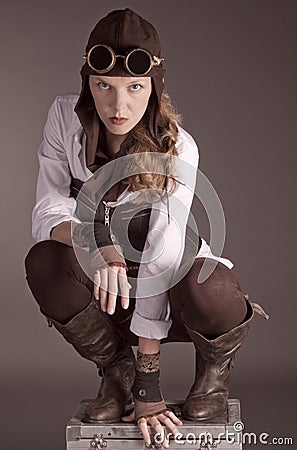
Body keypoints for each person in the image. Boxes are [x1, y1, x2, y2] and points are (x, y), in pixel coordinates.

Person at [24, 8, 268, 448]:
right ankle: (114, 372)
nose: (119, 106)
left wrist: (149, 385)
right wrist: (95, 244)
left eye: (134, 88)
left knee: (206, 282)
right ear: (88, 83)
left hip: (172, 290)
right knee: (44, 261)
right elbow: (46, 210)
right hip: (109, 288)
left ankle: (213, 373)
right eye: (105, 87)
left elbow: (163, 248)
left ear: (153, 87)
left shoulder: (180, 147)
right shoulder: (64, 120)